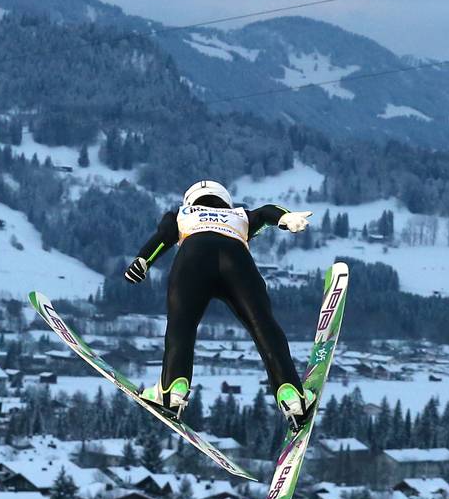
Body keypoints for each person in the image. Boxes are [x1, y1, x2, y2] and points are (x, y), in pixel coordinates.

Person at [124, 180, 316, 430]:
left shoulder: (181, 214)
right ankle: (293, 398)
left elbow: (163, 237)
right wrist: (286, 218)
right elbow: (267, 212)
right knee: (264, 327)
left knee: (181, 327)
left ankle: (173, 392)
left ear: (189, 200)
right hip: (236, 262)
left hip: (193, 259)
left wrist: (142, 261)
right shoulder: (239, 215)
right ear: (225, 201)